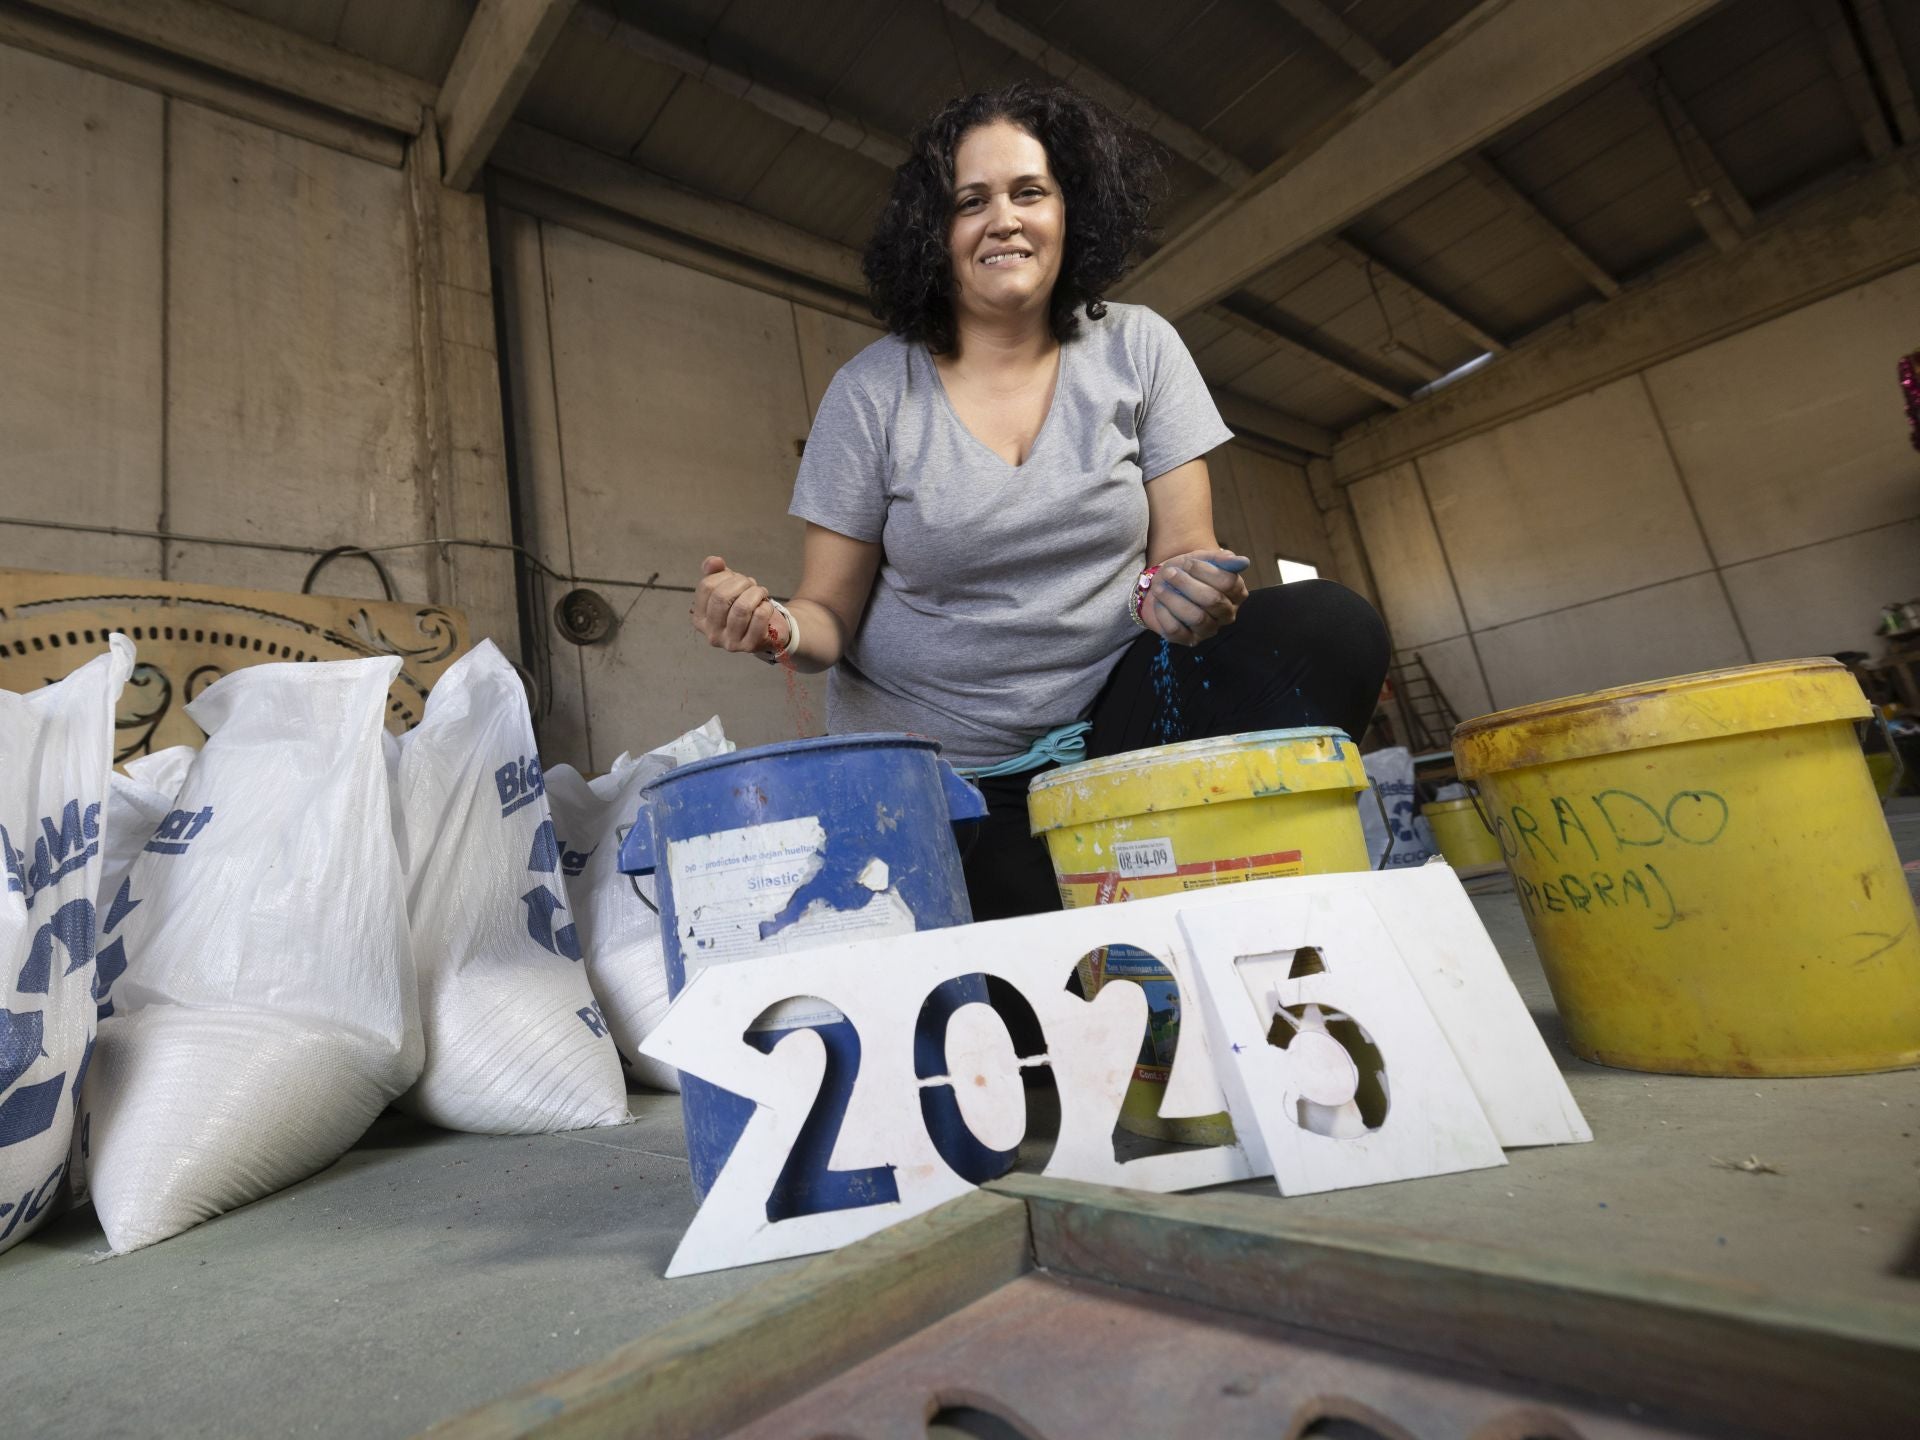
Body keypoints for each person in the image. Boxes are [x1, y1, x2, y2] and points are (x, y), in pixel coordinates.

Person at [693, 83, 1389, 922]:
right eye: (970, 202)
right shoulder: (873, 392)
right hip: (945, 773)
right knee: (1040, 1006)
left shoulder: (1138, 347)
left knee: (1333, 628)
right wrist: (774, 625)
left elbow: (1182, 556)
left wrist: (1191, 597)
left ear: (1071, 211)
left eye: (1030, 192)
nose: (1005, 220)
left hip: (1110, 730)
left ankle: (1212, 865)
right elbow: (826, 620)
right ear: (934, 234)